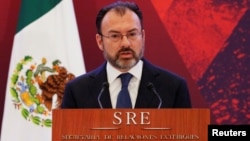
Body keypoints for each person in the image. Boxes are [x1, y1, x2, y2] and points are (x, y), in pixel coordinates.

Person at [61, 1, 192, 109]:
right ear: (100, 41)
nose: (125, 43)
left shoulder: (173, 87)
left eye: (132, 34)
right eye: (115, 36)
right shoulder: (77, 91)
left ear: (143, 36)